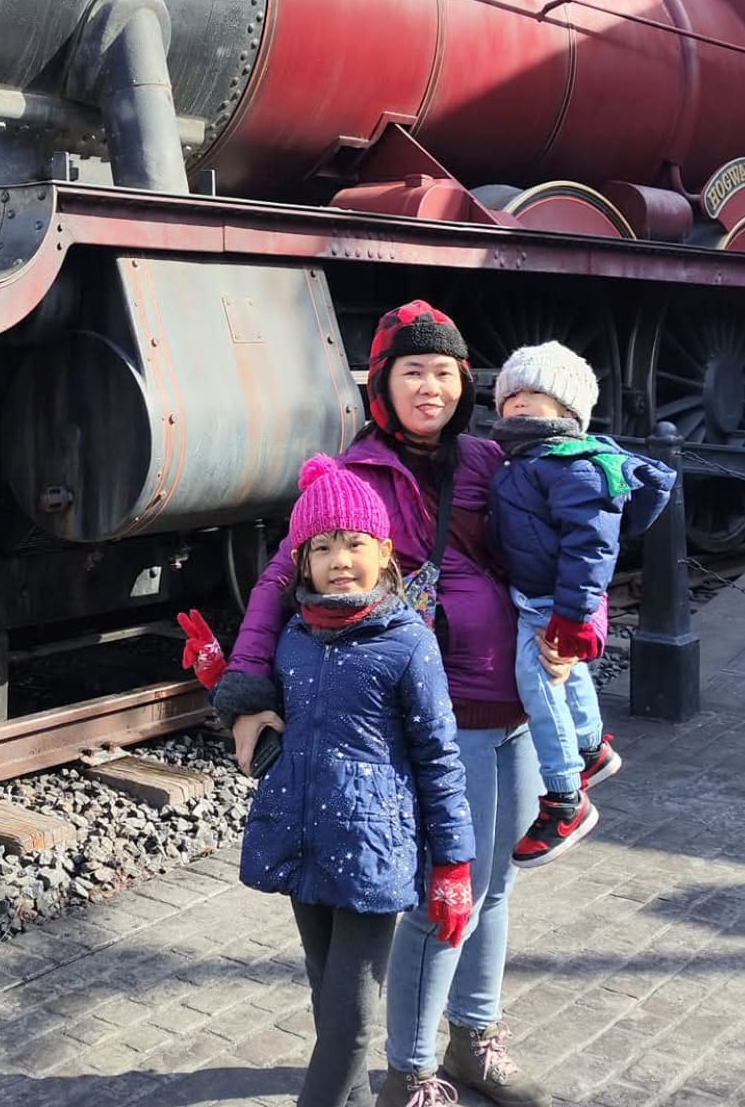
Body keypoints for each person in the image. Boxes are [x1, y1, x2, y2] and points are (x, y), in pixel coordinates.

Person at [214, 301, 552, 1107]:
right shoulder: (353, 480)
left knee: (491, 887)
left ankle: (474, 1038)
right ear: (383, 386)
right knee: (442, 895)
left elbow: (547, 547)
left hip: (513, 702)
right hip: (442, 712)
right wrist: (247, 687)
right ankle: (409, 1070)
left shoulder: (485, 462)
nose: (430, 388)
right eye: (412, 372)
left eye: (444, 372)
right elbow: (275, 584)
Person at [236, 453, 475, 1107]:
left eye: (354, 543)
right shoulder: (293, 637)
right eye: (322, 546)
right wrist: (217, 681)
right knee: (330, 1007)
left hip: (373, 856)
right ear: (303, 562)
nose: (339, 558)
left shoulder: (407, 643)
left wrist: (453, 864)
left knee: (347, 1025)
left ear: (384, 551)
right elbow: (274, 723)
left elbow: (439, 757)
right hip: (304, 843)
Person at [488, 341, 675, 867]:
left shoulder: (573, 463)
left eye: (536, 393)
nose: (520, 402)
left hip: (551, 602)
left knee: (539, 686)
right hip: (537, 594)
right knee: (565, 681)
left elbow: (591, 546)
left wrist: (572, 617)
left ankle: (564, 799)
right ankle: (592, 748)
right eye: (512, 394)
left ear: (569, 411)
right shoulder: (528, 457)